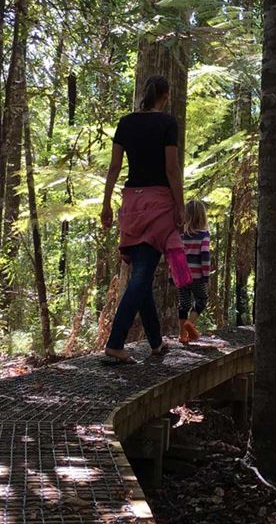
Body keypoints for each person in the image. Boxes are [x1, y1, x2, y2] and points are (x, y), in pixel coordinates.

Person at [100, 75, 188, 364]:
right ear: (165, 95)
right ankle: (115, 343)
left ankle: (155, 342)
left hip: (131, 203)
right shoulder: (167, 123)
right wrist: (180, 206)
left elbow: (114, 167)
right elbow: (172, 169)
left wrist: (106, 204)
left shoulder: (126, 123)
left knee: (142, 273)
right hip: (158, 203)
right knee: (141, 275)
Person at [177, 200, 210, 344]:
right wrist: (206, 275)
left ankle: (182, 336)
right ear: (202, 217)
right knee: (202, 300)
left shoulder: (181, 236)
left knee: (183, 304)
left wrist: (174, 276)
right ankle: (190, 323)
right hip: (197, 276)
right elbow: (205, 256)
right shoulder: (204, 235)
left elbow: (175, 256)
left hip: (182, 276)